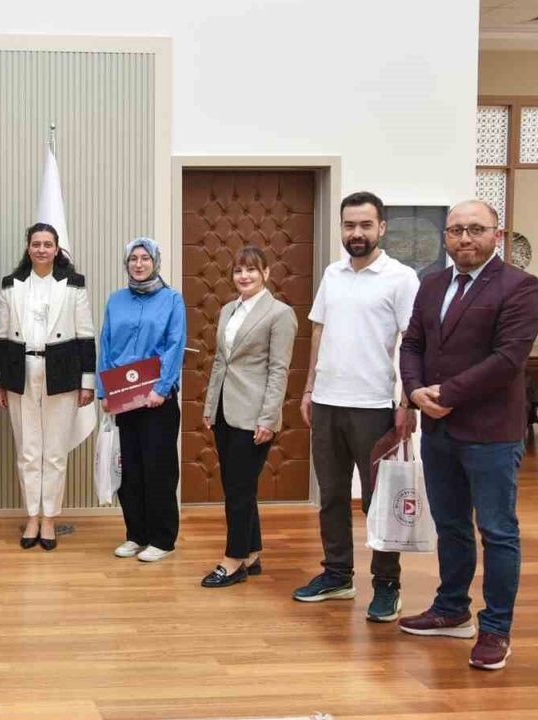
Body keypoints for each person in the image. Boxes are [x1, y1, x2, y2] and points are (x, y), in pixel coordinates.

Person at [398, 200, 538, 671]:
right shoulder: (431, 284)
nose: (465, 238)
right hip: (439, 428)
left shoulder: (520, 287)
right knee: (451, 525)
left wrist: (447, 393)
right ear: (446, 236)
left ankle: (496, 629)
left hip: (491, 433)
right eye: (456, 229)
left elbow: (507, 359)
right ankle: (451, 609)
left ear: (496, 235)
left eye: (476, 229)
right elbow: (412, 344)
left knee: (497, 532)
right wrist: (415, 391)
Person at [292, 191, 419, 623]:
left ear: (381, 227)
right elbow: (318, 332)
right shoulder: (333, 274)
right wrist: (309, 389)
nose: (357, 233)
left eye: (365, 225)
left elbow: (413, 342)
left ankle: (387, 585)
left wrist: (407, 400)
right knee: (330, 497)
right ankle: (337, 575)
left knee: (377, 501)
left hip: (374, 406)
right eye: (349, 225)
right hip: (327, 403)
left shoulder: (401, 278)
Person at [0, 223, 96, 551]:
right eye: (36, 244)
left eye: (47, 244)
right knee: (27, 451)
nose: (41, 249)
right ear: (28, 248)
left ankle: (49, 518)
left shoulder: (73, 284)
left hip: (62, 373)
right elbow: (1, 336)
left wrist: (88, 381)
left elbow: (86, 335)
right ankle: (32, 517)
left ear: (56, 248)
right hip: (19, 372)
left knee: (53, 452)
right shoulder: (11, 285)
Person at [200, 246, 297, 587]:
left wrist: (268, 418)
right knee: (236, 485)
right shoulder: (228, 309)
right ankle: (252, 552)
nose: (244, 276)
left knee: (239, 489)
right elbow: (220, 362)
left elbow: (279, 370)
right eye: (239, 270)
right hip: (224, 411)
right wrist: (210, 406)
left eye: (252, 270)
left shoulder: (280, 314)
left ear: (266, 273)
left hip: (254, 414)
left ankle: (233, 560)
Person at [97, 237, 185, 562]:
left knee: (158, 469)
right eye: (133, 258)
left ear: (155, 262)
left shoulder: (172, 300)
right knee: (129, 469)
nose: (139, 264)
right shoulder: (116, 300)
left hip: (156, 399)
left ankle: (162, 539)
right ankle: (136, 534)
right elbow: (105, 344)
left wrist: (161, 389)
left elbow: (175, 345)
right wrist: (104, 391)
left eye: (145, 258)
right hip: (123, 397)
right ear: (127, 264)